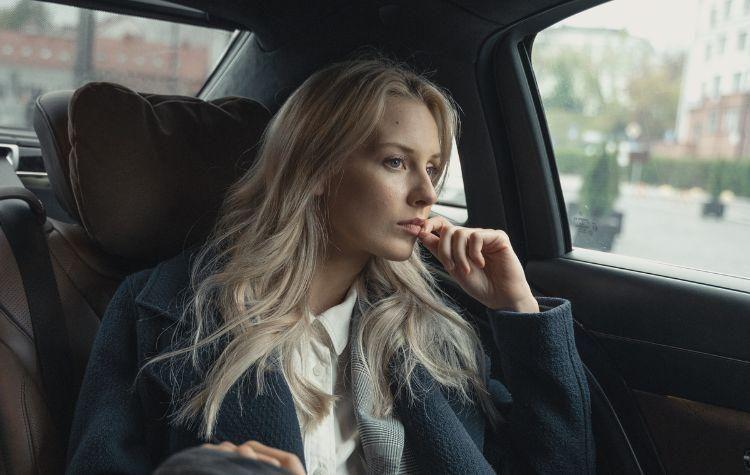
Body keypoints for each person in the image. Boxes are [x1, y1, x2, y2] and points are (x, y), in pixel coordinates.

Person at [66, 57, 594, 474]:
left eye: (432, 168)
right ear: (315, 167)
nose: (426, 193)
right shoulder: (162, 311)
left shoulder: (429, 330)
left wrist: (518, 309)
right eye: (396, 162)